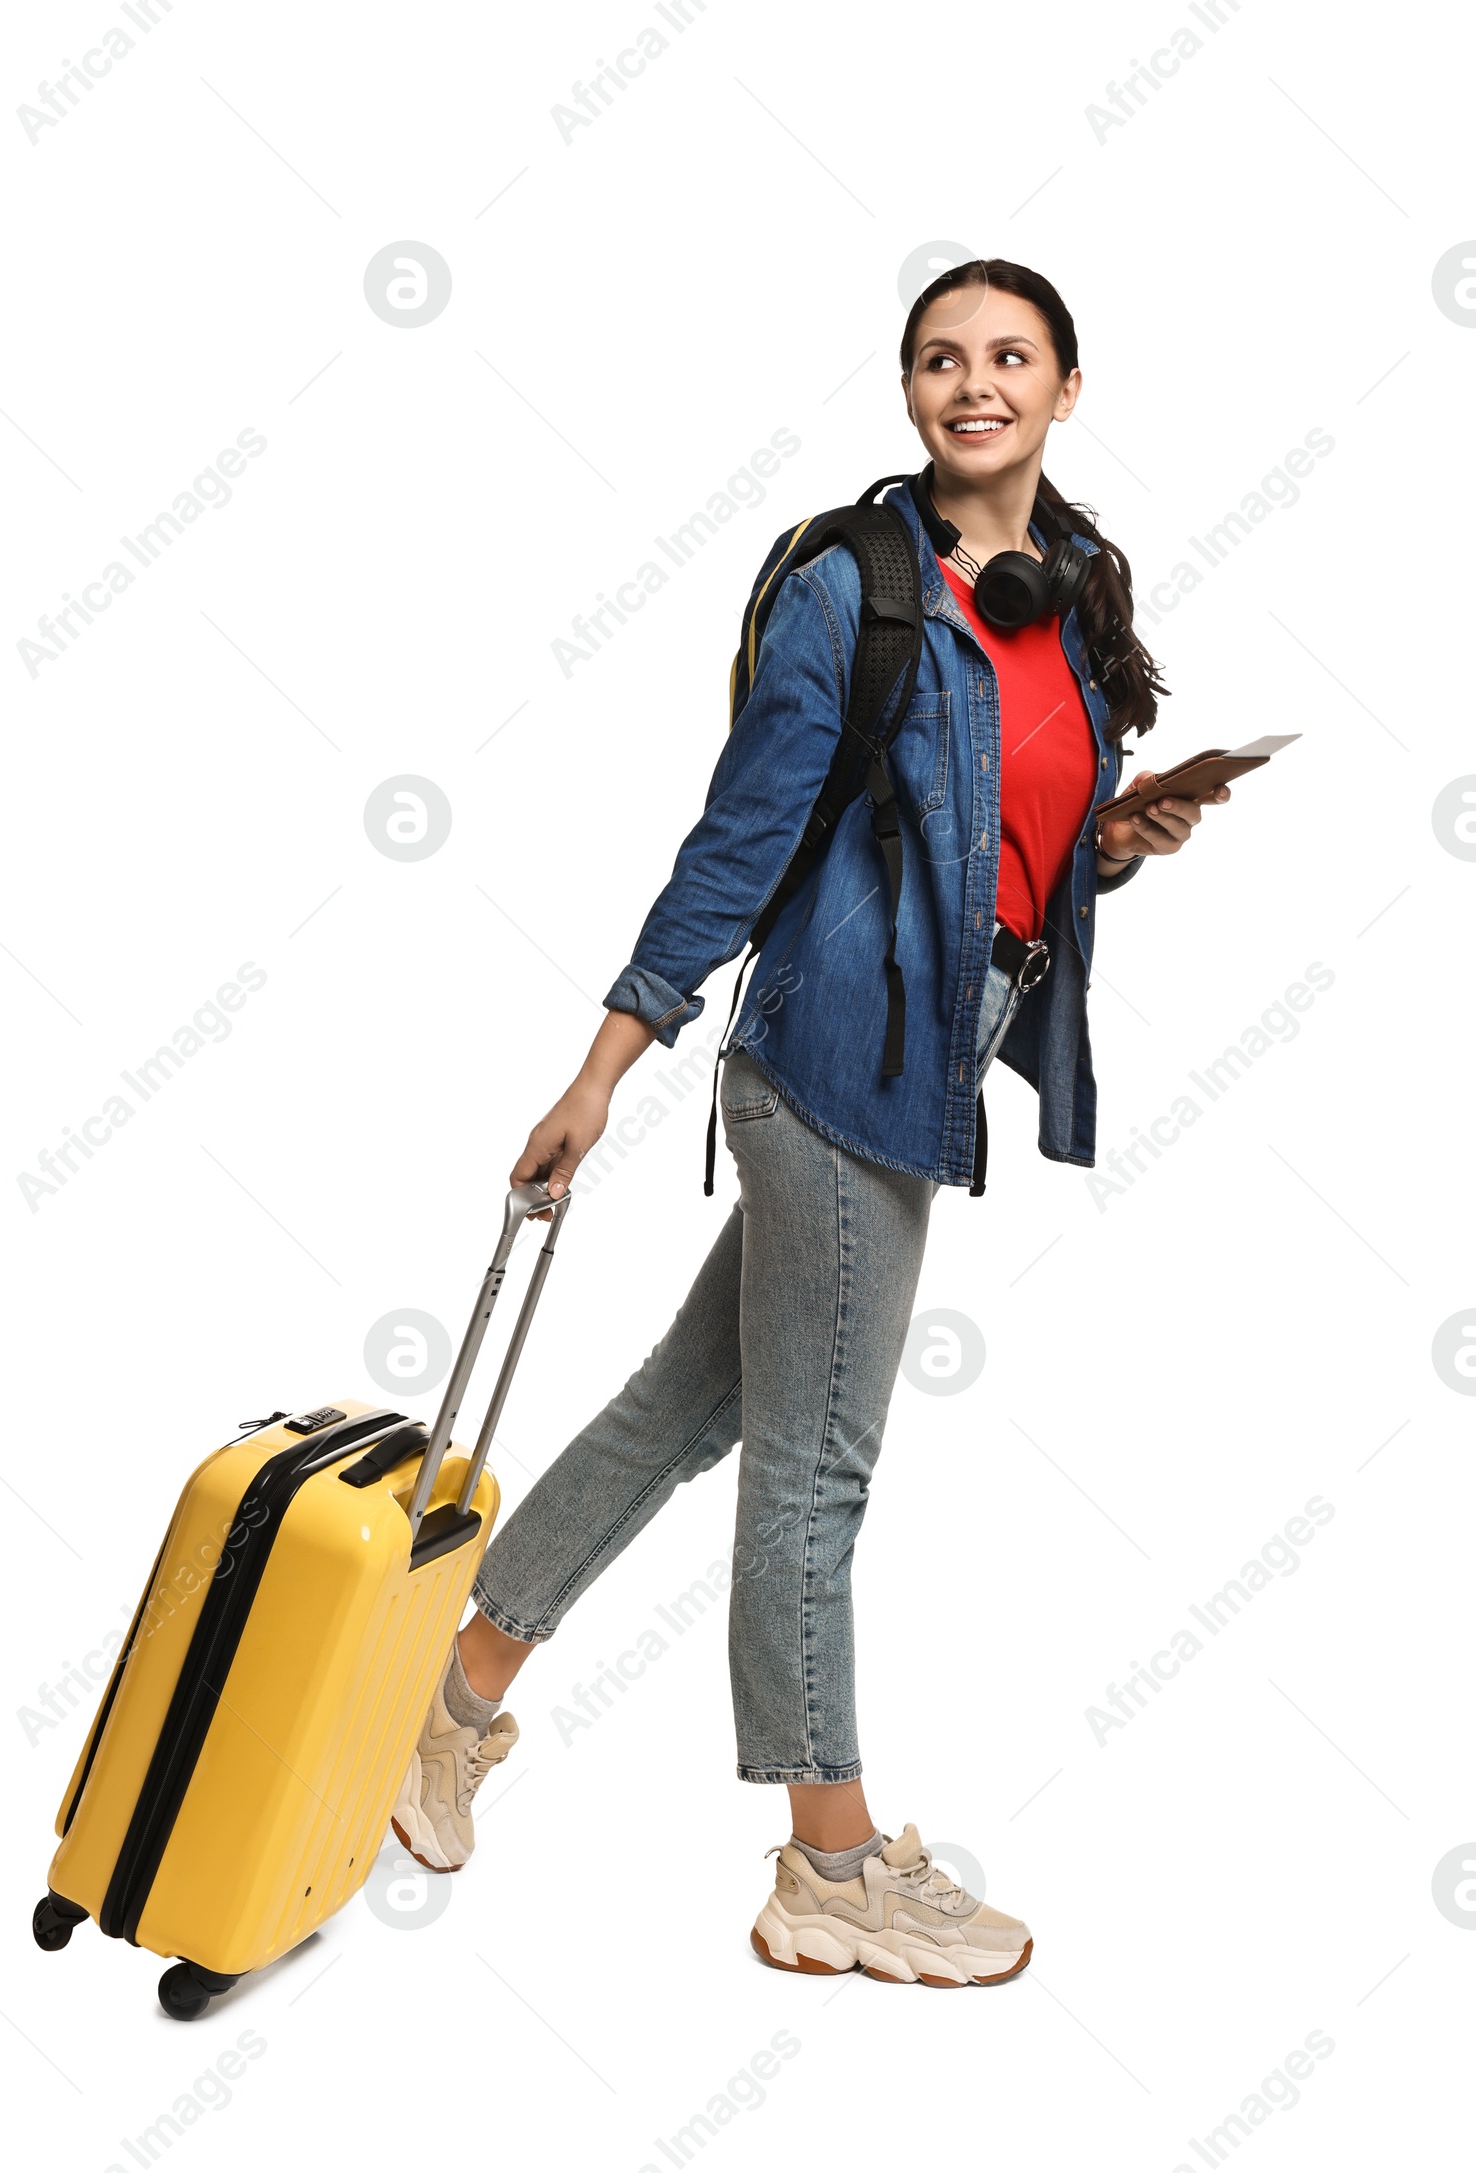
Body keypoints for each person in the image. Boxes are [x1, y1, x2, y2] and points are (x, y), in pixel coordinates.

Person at [390, 258, 1229, 1986]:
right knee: (817, 1471)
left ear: (1069, 386)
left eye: (1011, 356)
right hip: (829, 1066)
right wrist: (606, 1064)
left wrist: (1110, 847)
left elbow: (1008, 832)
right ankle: (826, 1866)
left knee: (683, 1411)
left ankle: (449, 1702)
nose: (973, 382)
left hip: (925, 1065)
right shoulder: (857, 586)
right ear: (908, 390)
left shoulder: (1066, 594)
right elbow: (743, 835)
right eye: (941, 357)